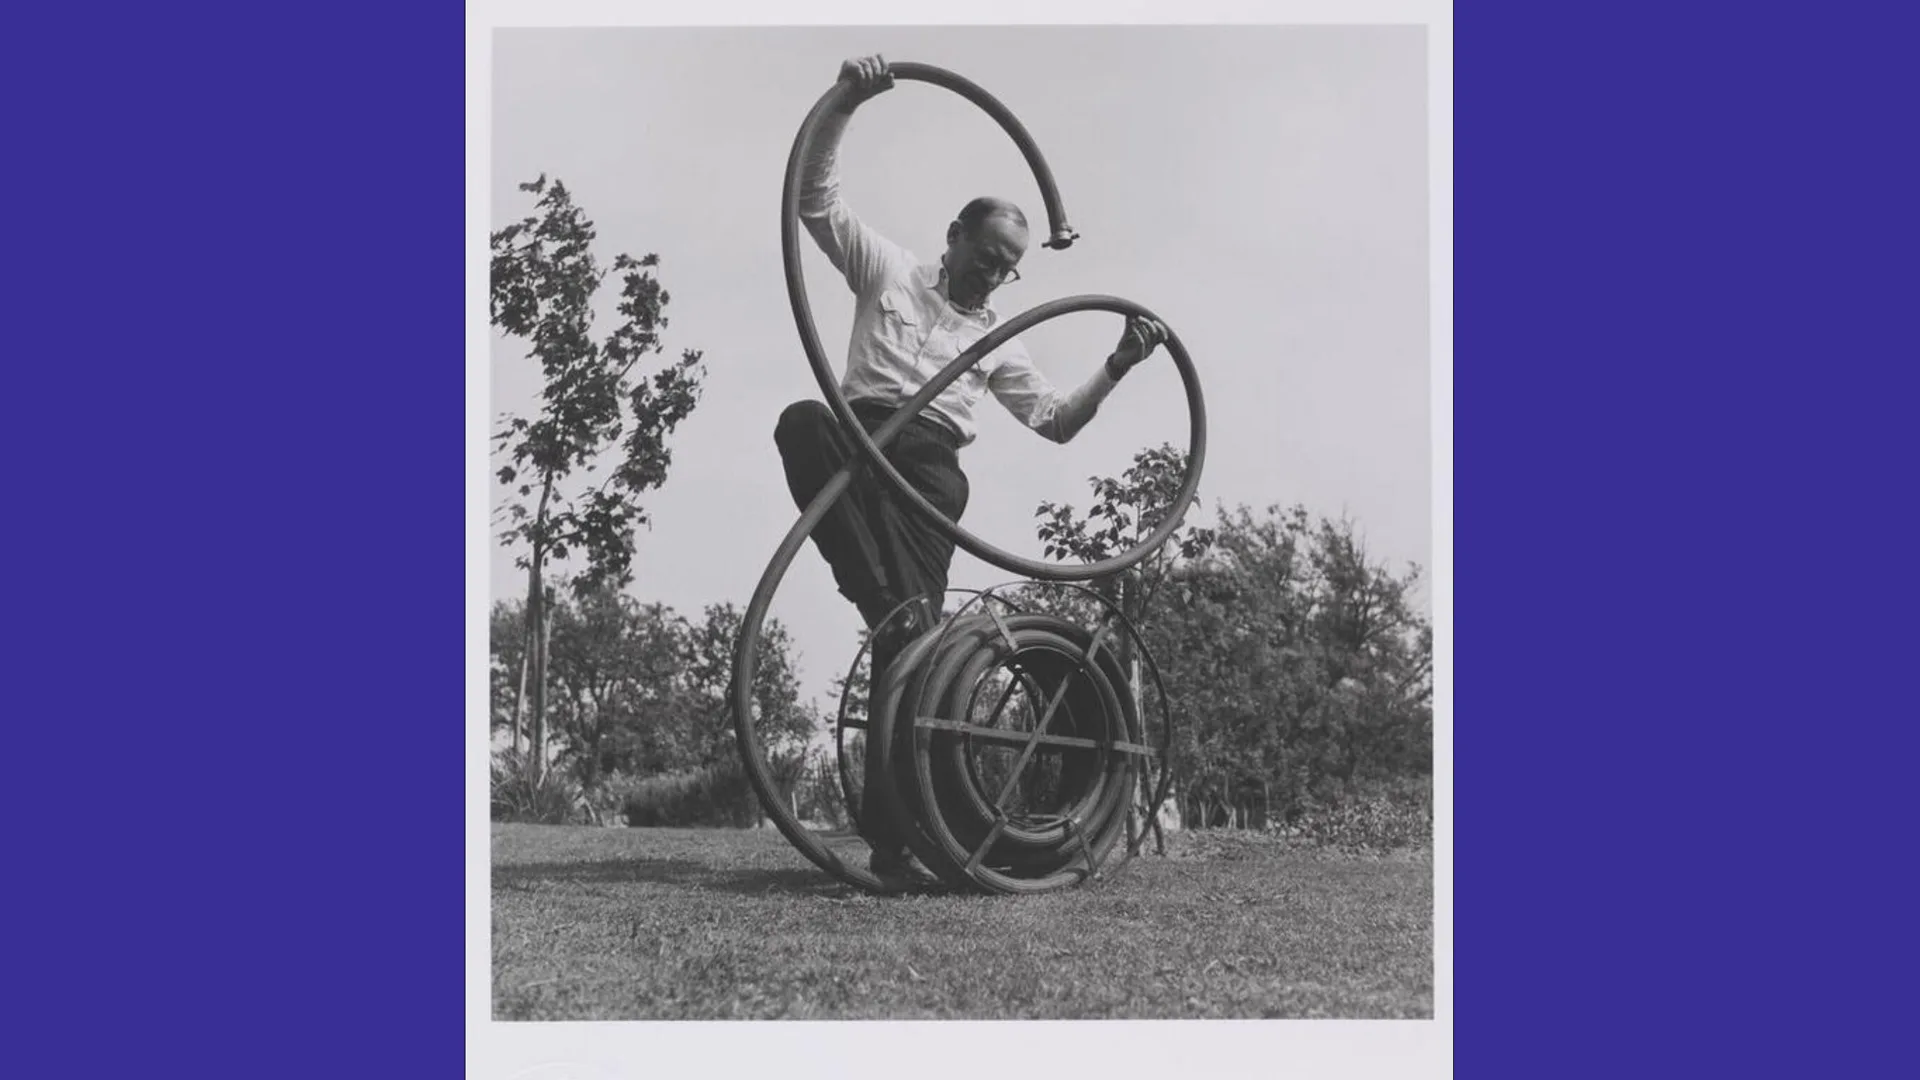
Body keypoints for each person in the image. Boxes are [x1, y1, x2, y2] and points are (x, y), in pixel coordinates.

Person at [774, 54, 1170, 888]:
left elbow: (1055, 422)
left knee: (905, 650)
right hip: (859, 439)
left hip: (927, 482)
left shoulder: (998, 341)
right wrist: (848, 101)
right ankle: (883, 594)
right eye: (986, 253)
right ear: (954, 236)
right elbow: (815, 200)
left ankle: (895, 843)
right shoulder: (884, 269)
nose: (993, 274)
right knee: (800, 424)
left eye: (1008, 266)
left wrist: (1119, 365)